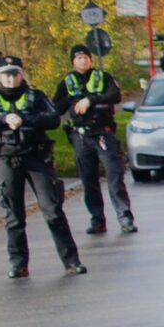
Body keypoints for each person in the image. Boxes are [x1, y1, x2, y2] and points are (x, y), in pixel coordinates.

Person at [0, 54, 83, 279]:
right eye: (5, 75)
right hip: (6, 159)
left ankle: (71, 261)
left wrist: (26, 120)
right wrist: (3, 119)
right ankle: (18, 264)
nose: (10, 79)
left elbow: (53, 119)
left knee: (52, 210)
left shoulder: (36, 96)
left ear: (21, 74)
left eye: (14, 74)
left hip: (36, 157)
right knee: (14, 215)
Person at [57, 42, 135, 235]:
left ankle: (124, 217)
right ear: (73, 62)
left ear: (91, 60)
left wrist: (91, 99)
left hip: (103, 133)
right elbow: (56, 107)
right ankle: (97, 219)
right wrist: (71, 101)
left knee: (114, 176)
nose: (83, 61)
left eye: (85, 57)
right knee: (88, 180)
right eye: (78, 58)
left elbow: (115, 95)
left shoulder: (103, 77)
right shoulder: (66, 83)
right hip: (81, 136)